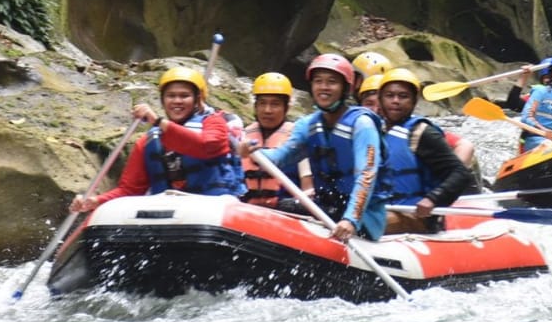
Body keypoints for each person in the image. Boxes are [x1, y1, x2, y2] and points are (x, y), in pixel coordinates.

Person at [238, 53, 388, 241]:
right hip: (325, 207)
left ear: (345, 88)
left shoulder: (362, 124)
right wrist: (253, 152)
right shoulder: (308, 125)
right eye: (318, 81)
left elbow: (366, 175)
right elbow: (280, 157)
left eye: (331, 82)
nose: (323, 87)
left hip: (363, 218)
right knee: (276, 209)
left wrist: (350, 220)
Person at [70, 66, 245, 212]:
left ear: (197, 100)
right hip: (168, 212)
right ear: (162, 100)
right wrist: (96, 201)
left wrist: (158, 121)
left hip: (214, 207)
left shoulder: (214, 122)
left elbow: (205, 146)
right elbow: (130, 190)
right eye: (171, 96)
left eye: (184, 96)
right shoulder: (148, 142)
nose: (177, 101)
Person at [375, 68, 475, 233]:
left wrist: (433, 199)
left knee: (367, 225)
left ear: (414, 101)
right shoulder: (375, 130)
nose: (395, 101)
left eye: (403, 96)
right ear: (380, 99)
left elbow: (460, 174)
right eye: (389, 95)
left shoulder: (422, 133)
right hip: (382, 208)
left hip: (415, 215)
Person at [241, 72, 313, 208]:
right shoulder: (244, 136)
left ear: (286, 108)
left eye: (275, 104)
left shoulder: (297, 138)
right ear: (255, 106)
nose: (267, 110)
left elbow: (308, 188)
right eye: (262, 103)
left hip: (285, 211)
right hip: (248, 210)